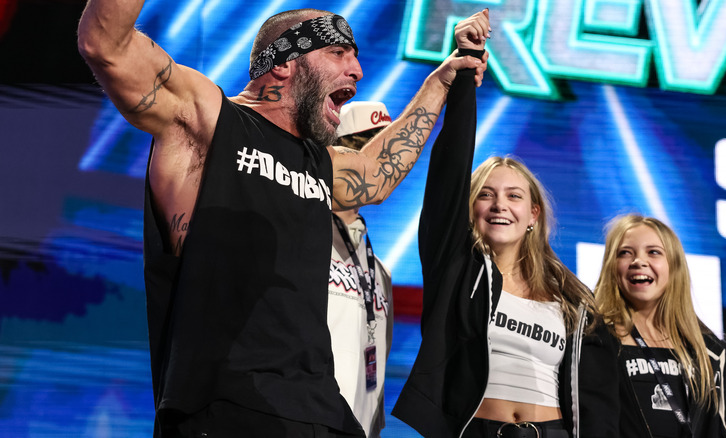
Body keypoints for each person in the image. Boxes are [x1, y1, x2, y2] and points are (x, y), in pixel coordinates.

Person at [77, 2, 487, 436]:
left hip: (322, 413)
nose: (358, 71)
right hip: (226, 410)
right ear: (286, 62)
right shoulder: (209, 120)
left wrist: (440, 82)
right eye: (339, 53)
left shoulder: (319, 162)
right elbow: (105, 44)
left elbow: (376, 174)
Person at [391, 10, 617, 438]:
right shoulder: (457, 269)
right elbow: (450, 169)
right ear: (469, 207)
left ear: (534, 214)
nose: (500, 205)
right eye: (485, 194)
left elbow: (599, 392)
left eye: (514, 196)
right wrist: (464, 68)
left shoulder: (571, 296)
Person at [592, 214, 726, 437]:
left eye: (653, 252)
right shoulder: (593, 340)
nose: (638, 261)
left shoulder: (707, 351)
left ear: (674, 267)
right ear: (611, 266)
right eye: (625, 253)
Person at [329, 101, 394, 437]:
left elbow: (377, 369)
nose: (377, 165)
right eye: (364, 148)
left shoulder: (380, 270)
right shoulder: (299, 241)